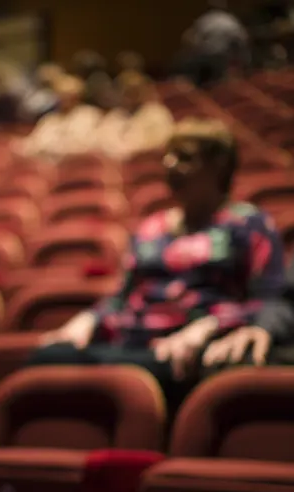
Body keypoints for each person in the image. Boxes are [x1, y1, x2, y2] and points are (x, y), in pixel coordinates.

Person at [29, 119, 290, 408]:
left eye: (185, 157)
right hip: (132, 345)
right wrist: (87, 319)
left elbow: (271, 299)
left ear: (218, 167)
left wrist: (211, 326)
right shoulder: (153, 227)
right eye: (168, 155)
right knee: (50, 357)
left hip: (192, 349)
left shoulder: (248, 224)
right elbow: (122, 297)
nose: (170, 164)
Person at [16, 75, 103, 161]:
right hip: (47, 166)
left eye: (69, 95)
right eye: (61, 95)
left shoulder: (89, 116)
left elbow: (89, 146)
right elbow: (33, 143)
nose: (64, 99)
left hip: (76, 165)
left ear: (77, 97)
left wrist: (53, 149)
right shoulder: (50, 119)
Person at [96, 71, 174, 161]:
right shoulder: (112, 118)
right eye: (127, 91)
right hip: (119, 165)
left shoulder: (157, 114)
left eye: (136, 91)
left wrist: (135, 153)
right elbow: (105, 146)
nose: (132, 96)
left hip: (149, 162)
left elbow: (162, 143)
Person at [183, 0, 251, 85]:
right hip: (223, 58)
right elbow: (242, 40)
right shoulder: (230, 20)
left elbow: (191, 39)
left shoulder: (205, 20)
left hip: (206, 58)